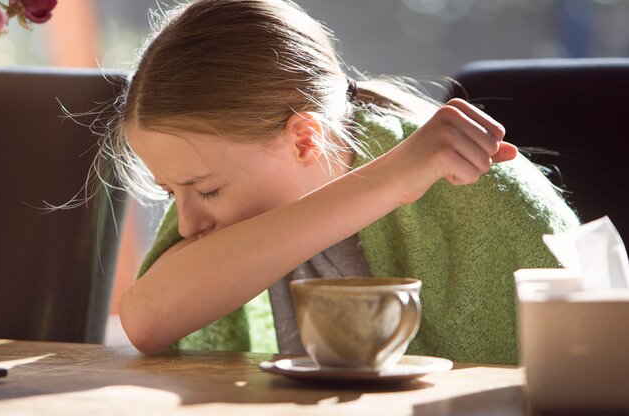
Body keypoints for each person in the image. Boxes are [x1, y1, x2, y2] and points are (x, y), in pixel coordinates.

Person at [99, 0, 579, 365]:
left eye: (206, 190)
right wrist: (391, 181)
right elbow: (146, 319)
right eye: (171, 193)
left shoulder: (478, 191)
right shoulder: (230, 216)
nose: (186, 226)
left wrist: (402, 181)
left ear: (306, 139)